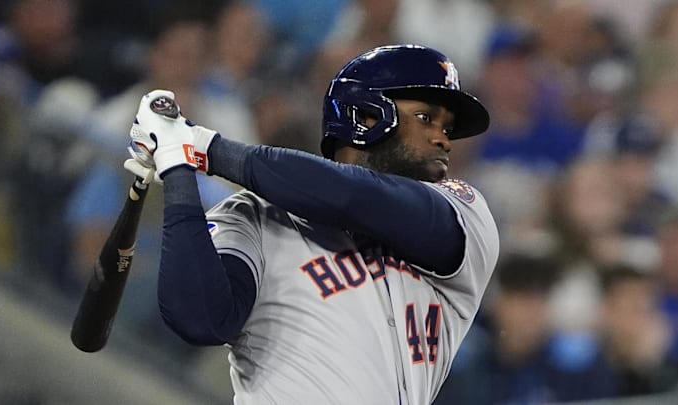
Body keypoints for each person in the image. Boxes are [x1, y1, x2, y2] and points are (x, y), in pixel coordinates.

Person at [124, 44, 499, 404]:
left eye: (448, 128)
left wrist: (203, 147)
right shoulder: (256, 217)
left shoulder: (466, 212)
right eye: (426, 118)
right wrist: (177, 169)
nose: (443, 140)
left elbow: (354, 196)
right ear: (367, 117)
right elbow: (199, 319)